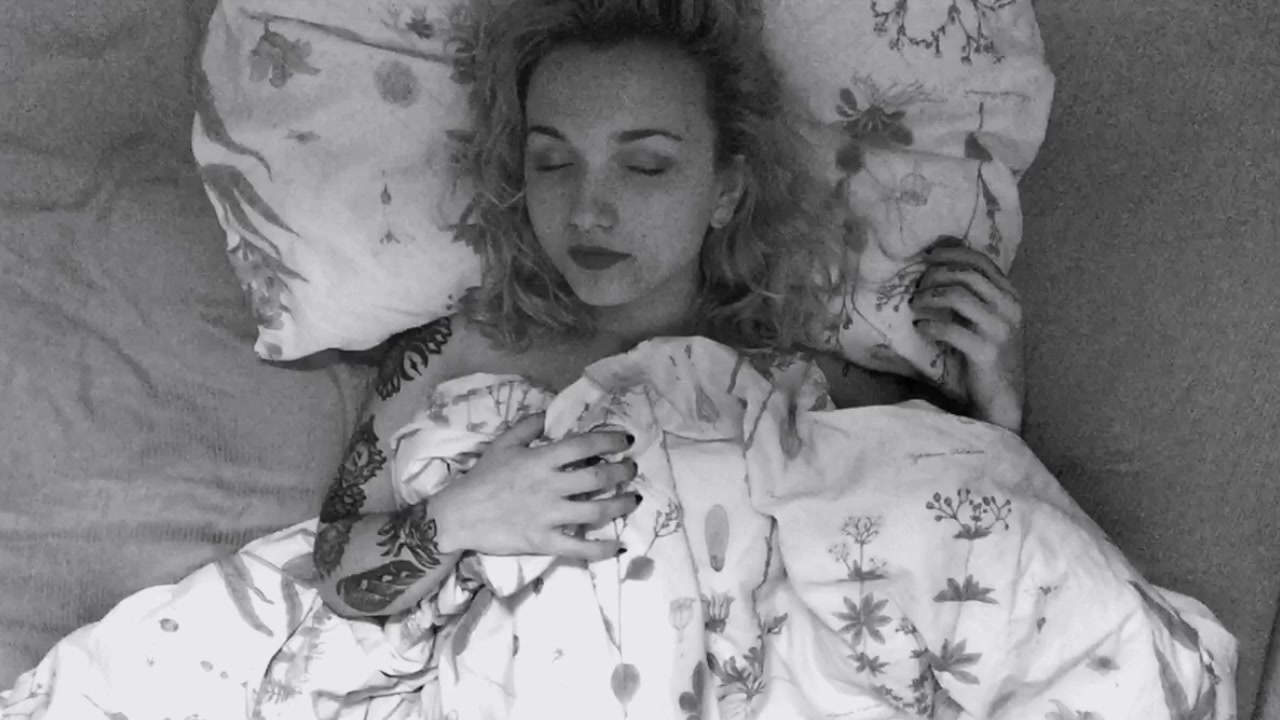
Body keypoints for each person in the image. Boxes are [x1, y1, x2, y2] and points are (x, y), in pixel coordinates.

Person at [312, 0, 1026, 620]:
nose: (587, 210)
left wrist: (999, 404)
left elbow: (960, 534)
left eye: (644, 166)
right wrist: (460, 516)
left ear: (726, 190)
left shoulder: (795, 384)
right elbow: (338, 576)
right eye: (553, 162)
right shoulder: (453, 350)